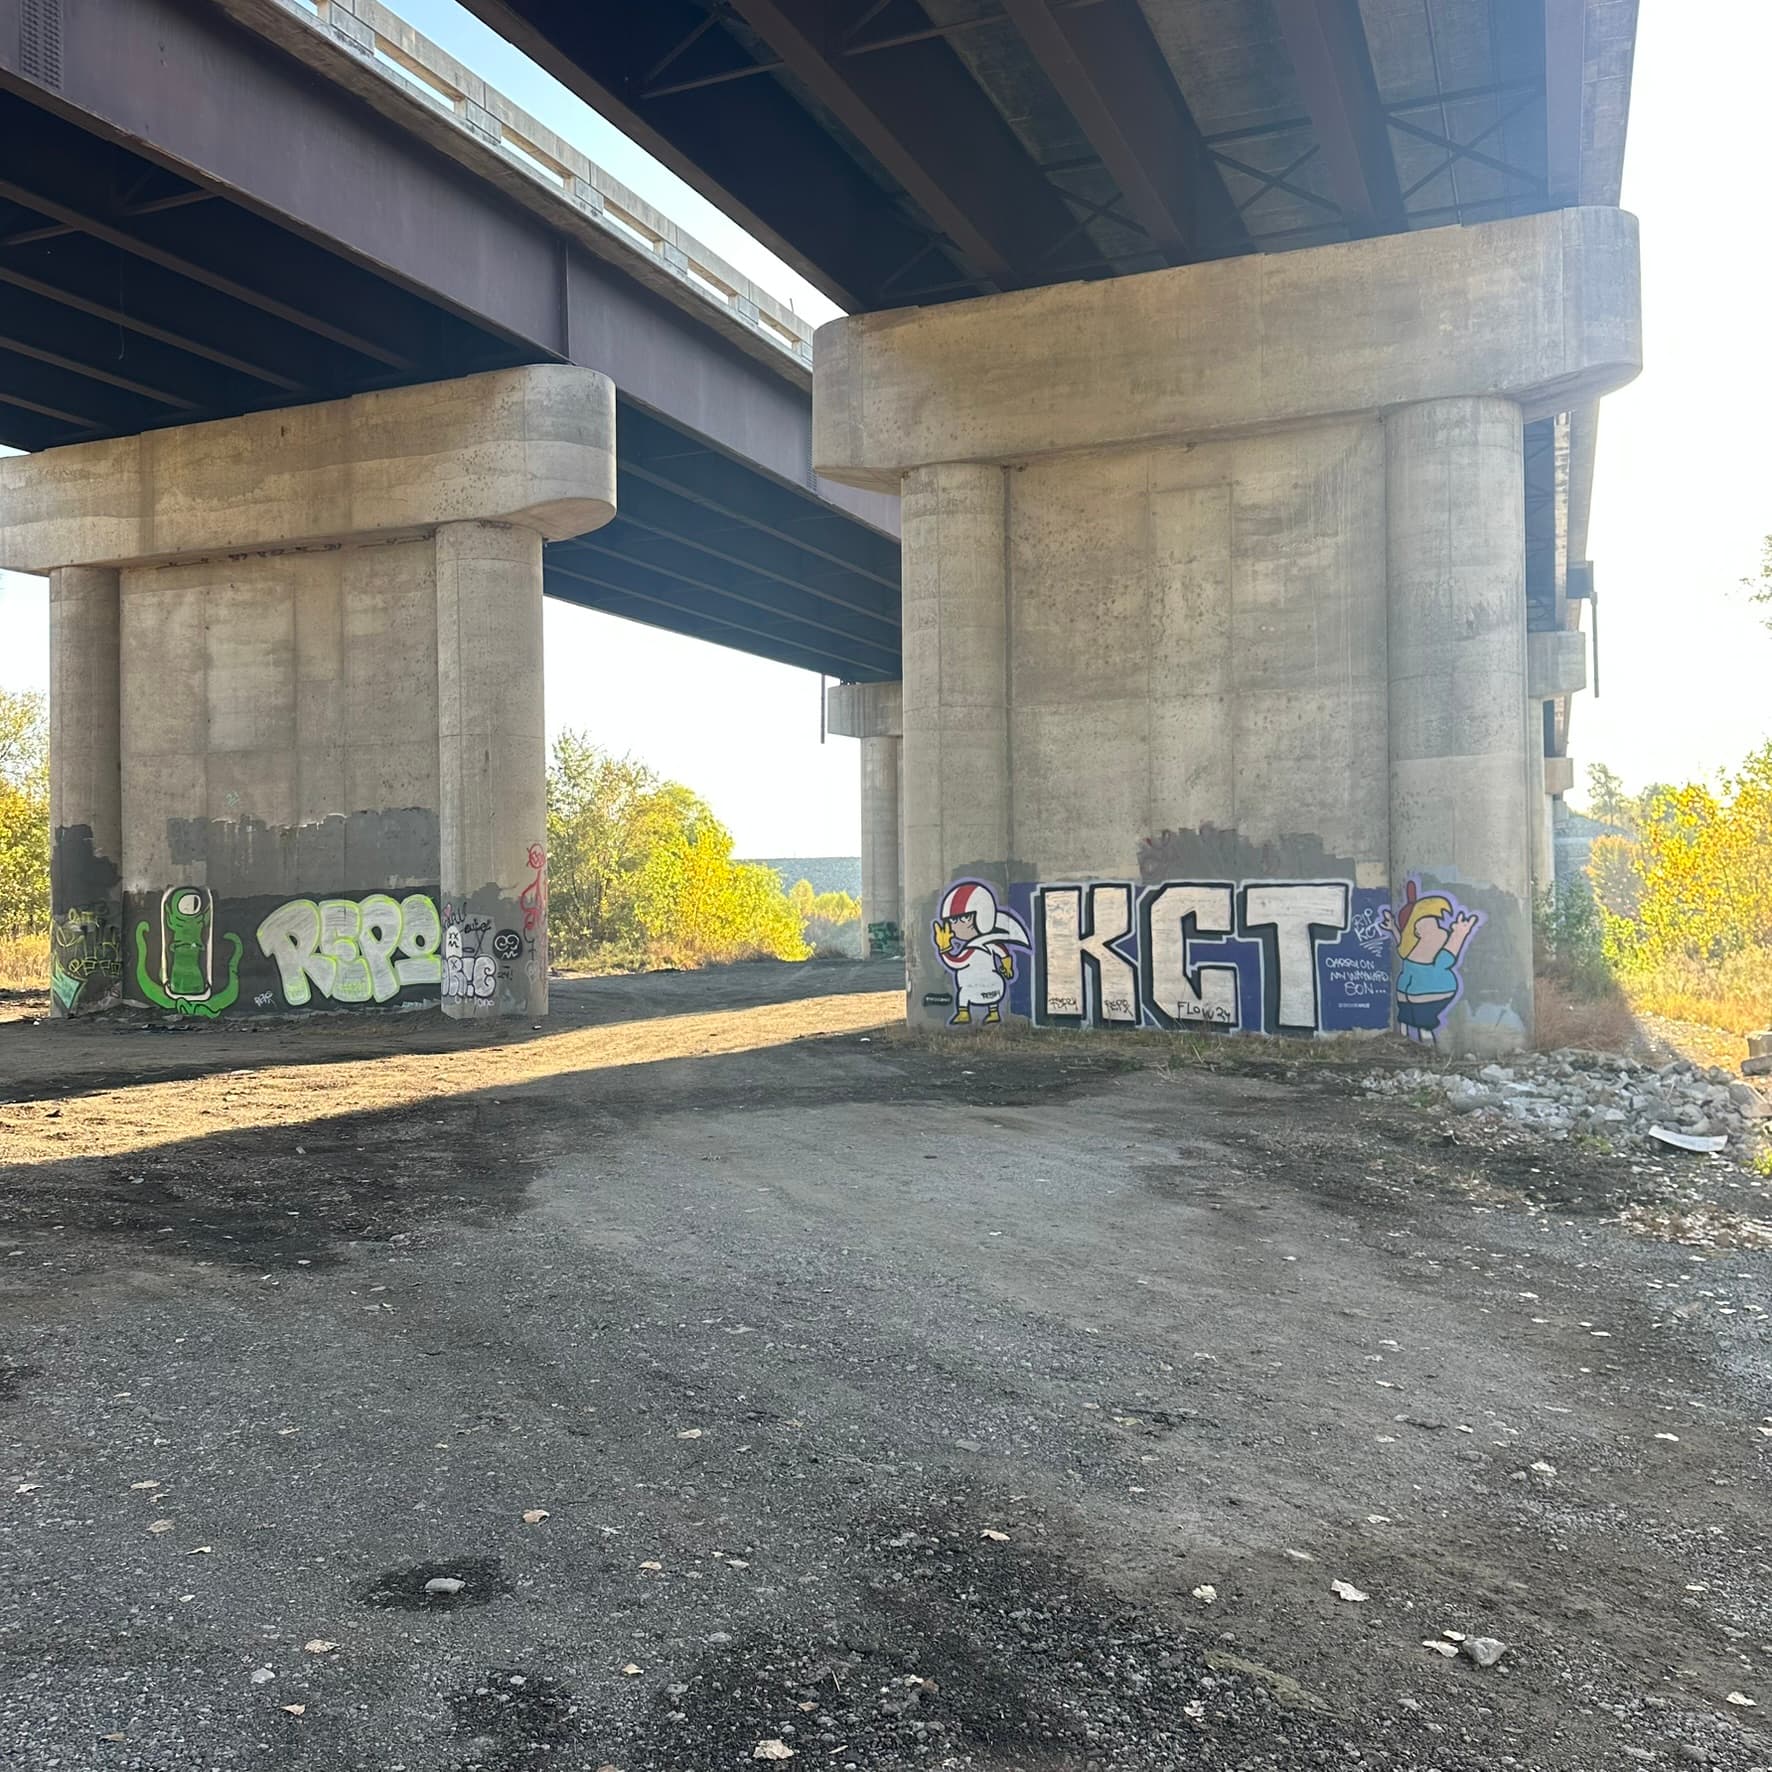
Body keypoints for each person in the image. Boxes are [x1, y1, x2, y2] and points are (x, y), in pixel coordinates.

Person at [1387, 881, 1479, 1044]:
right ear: (1416, 931)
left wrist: (1459, 934)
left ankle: (1426, 1040)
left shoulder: (1433, 955)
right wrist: (1394, 927)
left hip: (1433, 991)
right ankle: (1406, 1038)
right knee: (1406, 1017)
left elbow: (1447, 957)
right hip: (1409, 993)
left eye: (1437, 924)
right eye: (1432, 925)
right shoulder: (1410, 950)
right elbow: (1402, 945)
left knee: (1422, 1020)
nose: (1440, 929)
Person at [931, 881, 1029, 1025]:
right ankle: (994, 1012)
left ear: (981, 917)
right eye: (952, 920)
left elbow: (955, 962)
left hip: (975, 992)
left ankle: (963, 1013)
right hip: (997, 988)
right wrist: (1007, 966)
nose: (953, 925)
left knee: (963, 993)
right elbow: (1003, 952)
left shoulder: (972, 949)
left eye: (961, 919)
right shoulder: (990, 943)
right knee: (983, 988)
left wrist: (944, 949)